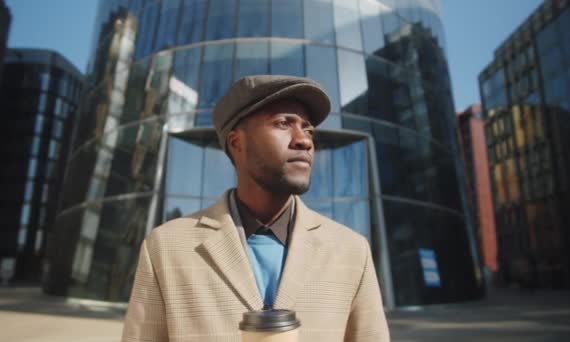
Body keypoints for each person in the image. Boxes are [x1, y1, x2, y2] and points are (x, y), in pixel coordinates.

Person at [121, 75, 390, 342]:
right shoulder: (166, 247)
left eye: (308, 130)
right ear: (237, 142)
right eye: (284, 123)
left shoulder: (352, 251)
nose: (304, 141)